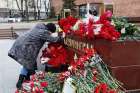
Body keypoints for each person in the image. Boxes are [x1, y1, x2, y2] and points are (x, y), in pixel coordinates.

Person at [8, 23, 63, 89]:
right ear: (49, 30)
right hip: (27, 48)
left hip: (20, 43)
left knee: (29, 64)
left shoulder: (38, 27)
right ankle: (20, 82)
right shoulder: (44, 32)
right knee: (27, 64)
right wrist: (62, 38)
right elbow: (54, 39)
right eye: (51, 32)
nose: (50, 34)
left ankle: (27, 77)